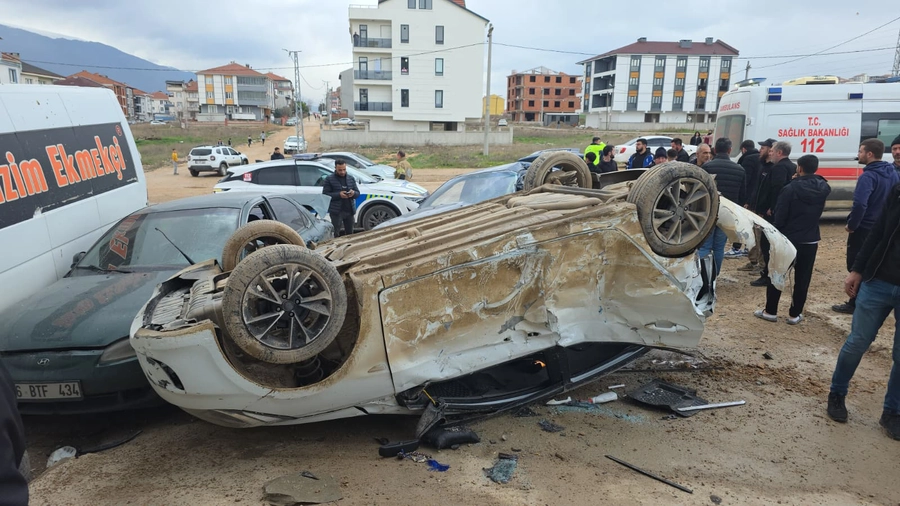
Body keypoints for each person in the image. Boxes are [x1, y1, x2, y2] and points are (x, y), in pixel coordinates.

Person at [826, 179, 900, 440]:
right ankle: (837, 393)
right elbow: (879, 231)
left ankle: (892, 412)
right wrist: (857, 269)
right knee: (857, 341)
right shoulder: (898, 190)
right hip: (878, 280)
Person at [754, 154, 831, 324]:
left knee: (778, 274)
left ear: (800, 168)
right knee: (803, 278)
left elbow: (780, 216)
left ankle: (771, 311)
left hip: (788, 238)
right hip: (810, 239)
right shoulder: (824, 187)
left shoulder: (790, 189)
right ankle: (794, 314)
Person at [832, 139, 900, 314]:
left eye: (861, 151)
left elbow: (860, 204)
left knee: (856, 264)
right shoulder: (892, 172)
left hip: (865, 228)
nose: (858, 155)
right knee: (873, 262)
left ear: (869, 154)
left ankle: (854, 303)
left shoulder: (867, 176)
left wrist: (852, 225)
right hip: (883, 227)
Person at [696, 138, 746, 275]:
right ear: (730, 150)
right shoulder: (740, 170)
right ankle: (714, 276)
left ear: (715, 150)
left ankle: (704, 276)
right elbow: (743, 196)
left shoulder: (707, 167)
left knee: (705, 246)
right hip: (727, 213)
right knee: (719, 247)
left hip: (709, 211)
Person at [751, 141, 795, 287]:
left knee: (767, 243)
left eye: (772, 151)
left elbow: (777, 188)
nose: (770, 153)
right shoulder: (792, 166)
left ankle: (768, 275)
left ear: (779, 153)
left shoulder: (779, 168)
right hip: (785, 211)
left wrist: (771, 207)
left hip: (773, 212)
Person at [725, 139, 763, 259]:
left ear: (744, 149)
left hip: (747, 198)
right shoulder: (760, 159)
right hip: (756, 196)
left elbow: (746, 180)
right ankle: (748, 247)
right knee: (752, 225)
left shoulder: (747, 160)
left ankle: (737, 248)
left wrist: (745, 200)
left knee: (740, 223)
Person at [322, 159, 360, 237]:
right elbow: (325, 195)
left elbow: (357, 193)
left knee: (350, 234)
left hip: (349, 211)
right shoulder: (329, 179)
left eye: (344, 169)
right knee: (335, 233)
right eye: (340, 170)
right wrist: (339, 195)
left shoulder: (350, 178)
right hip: (337, 212)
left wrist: (353, 193)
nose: (342, 172)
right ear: (335, 168)